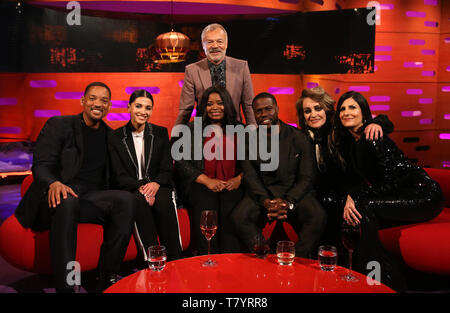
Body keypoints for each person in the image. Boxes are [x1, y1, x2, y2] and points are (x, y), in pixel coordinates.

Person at [14, 82, 136, 293]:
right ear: (82, 101)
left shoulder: (110, 136)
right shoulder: (60, 125)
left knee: (125, 200)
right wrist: (54, 183)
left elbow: (118, 176)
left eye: (104, 101)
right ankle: (67, 287)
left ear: (109, 107)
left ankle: (107, 278)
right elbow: (41, 165)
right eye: (92, 98)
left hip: (88, 199)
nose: (98, 104)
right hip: (54, 197)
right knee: (68, 200)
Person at [334, 90, 444, 291]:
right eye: (342, 108)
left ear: (364, 112)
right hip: (403, 195)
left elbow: (394, 182)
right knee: (357, 212)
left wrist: (355, 196)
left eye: (352, 107)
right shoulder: (354, 142)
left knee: (364, 208)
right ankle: (369, 275)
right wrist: (351, 195)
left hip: (424, 195)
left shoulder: (373, 137)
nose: (346, 112)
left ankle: (383, 282)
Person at [231, 92, 326, 258]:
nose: (264, 114)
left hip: (294, 194)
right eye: (259, 111)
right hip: (263, 195)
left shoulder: (299, 137)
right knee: (239, 217)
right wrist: (267, 202)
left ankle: (298, 259)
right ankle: (263, 254)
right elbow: (250, 176)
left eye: (268, 109)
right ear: (253, 114)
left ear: (277, 109)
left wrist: (288, 202)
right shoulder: (247, 140)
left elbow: (307, 177)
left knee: (318, 216)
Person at [295, 86, 393, 247]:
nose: (313, 114)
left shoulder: (340, 130)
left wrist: (377, 123)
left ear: (327, 109)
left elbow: (377, 122)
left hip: (353, 193)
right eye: (307, 111)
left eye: (317, 108)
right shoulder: (304, 139)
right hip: (325, 197)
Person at [108, 90, 182, 263]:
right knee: (138, 202)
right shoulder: (115, 137)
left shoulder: (160, 133)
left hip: (158, 185)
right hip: (132, 187)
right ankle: (152, 259)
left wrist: (155, 184)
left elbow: (166, 168)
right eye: (138, 106)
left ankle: (176, 258)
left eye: (148, 108)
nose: (143, 111)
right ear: (129, 107)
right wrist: (140, 188)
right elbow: (118, 173)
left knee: (164, 201)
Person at [173, 86, 245, 255]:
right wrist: (207, 180)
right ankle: (208, 257)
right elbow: (181, 162)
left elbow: (250, 162)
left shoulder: (240, 129)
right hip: (201, 184)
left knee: (231, 206)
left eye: (220, 103)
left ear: (227, 105)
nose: (215, 107)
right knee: (207, 204)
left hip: (232, 184)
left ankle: (230, 259)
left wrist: (239, 178)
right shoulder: (192, 129)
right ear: (203, 107)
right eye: (209, 104)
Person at [175, 23, 256, 126]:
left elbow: (248, 105)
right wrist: (176, 135)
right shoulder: (192, 70)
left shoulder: (241, 67)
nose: (215, 46)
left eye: (219, 41)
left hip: (234, 130)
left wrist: (254, 134)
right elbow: (186, 109)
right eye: (210, 42)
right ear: (203, 45)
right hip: (203, 132)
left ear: (226, 44)